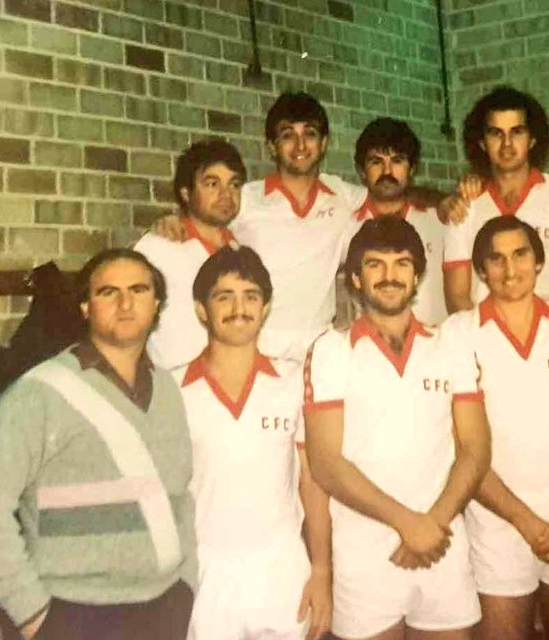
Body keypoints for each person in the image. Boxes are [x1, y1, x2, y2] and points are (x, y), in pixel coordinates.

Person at [0, 249, 196, 640]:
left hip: (163, 609)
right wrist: (31, 613)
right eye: (108, 292)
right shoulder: (38, 392)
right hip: (73, 614)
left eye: (138, 290)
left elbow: (180, 494)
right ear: (85, 307)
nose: (125, 303)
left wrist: (186, 583)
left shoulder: (168, 389)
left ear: (157, 304)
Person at [304, 216, 490, 639]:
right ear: (356, 278)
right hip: (365, 557)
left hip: (443, 544)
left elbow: (476, 448)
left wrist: (432, 524)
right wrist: (408, 523)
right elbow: (325, 463)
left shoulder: (452, 344)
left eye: (402, 263)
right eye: (375, 264)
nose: (390, 276)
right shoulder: (331, 351)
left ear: (417, 275)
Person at [444, 215, 549, 639]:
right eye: (496, 259)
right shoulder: (457, 334)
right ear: (481, 270)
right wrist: (524, 521)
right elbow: (464, 448)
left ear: (539, 262)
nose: (510, 269)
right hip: (496, 524)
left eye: (520, 255)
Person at [174, 246, 331, 639]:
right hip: (204, 572)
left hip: (282, 569)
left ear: (266, 307)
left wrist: (322, 570)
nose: (238, 308)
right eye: (223, 297)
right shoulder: (171, 388)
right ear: (201, 310)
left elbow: (312, 480)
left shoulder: (293, 381)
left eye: (250, 296)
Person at [153, 91, 367, 359]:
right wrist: (175, 219)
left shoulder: (342, 197)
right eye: (288, 135)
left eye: (310, 134)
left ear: (324, 143)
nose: (300, 145)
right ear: (272, 147)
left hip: (319, 351)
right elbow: (206, 222)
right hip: (257, 348)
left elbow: (392, 198)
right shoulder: (246, 198)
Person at [443, 86, 549, 312]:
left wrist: (543, 326)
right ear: (482, 142)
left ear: (532, 139)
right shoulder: (464, 205)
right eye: (496, 133)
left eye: (517, 132)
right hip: (484, 331)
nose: (507, 144)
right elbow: (457, 298)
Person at [135, 138, 243, 369]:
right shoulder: (158, 246)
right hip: (175, 381)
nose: (226, 194)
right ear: (186, 193)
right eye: (212, 184)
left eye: (234, 184)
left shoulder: (241, 250)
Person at [351, 117, 448, 325]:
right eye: (376, 162)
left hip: (435, 340)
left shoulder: (438, 220)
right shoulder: (346, 223)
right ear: (361, 171)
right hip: (371, 343)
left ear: (412, 169)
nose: (387, 172)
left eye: (397, 161)